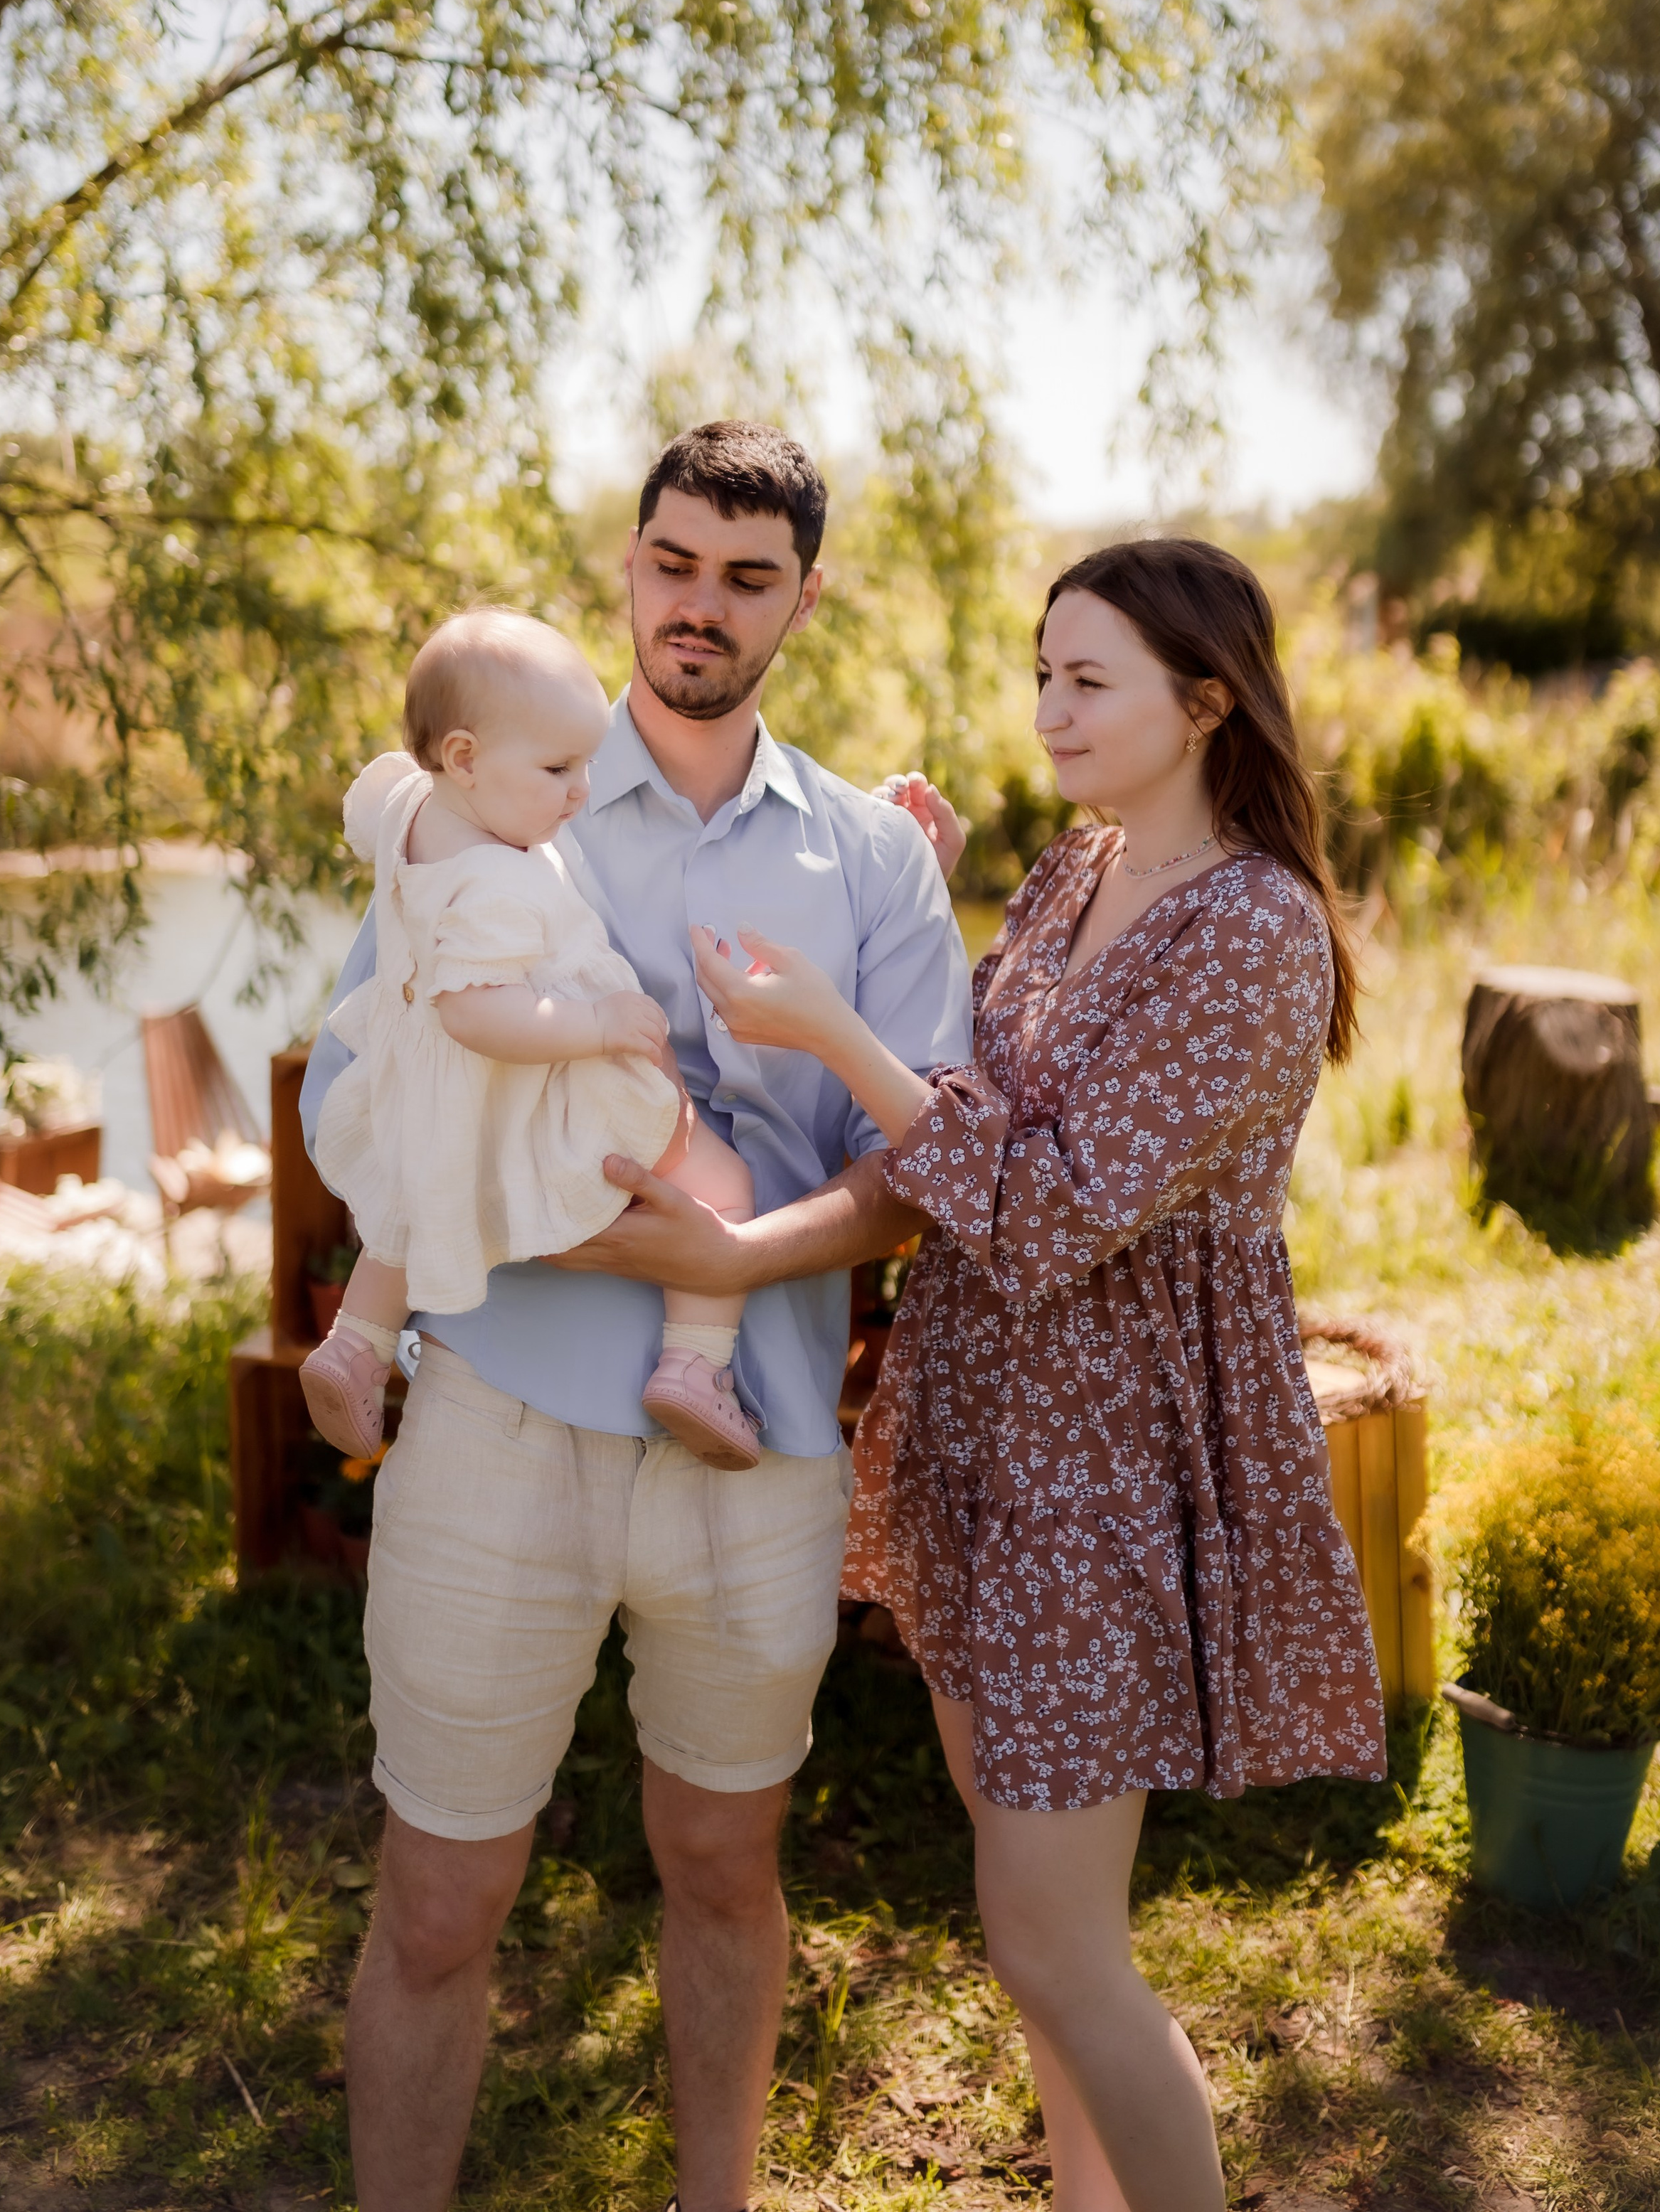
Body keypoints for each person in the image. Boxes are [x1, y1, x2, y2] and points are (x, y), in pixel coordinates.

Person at [298, 420, 972, 2212]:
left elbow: (921, 1167)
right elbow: (357, 1094)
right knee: (439, 1900)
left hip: (759, 1447)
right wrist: (590, 1237)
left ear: (802, 601)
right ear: (628, 561)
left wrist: (734, 1265)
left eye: (747, 578)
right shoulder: (483, 799)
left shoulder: (873, 858)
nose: (700, 603)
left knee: (726, 1866)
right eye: (673, 561)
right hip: (498, 1421)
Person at [693, 535, 1386, 2212]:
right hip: (981, 1423)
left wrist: (833, 1034)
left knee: (1051, 1939)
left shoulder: (1252, 929)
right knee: (1040, 1934)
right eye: (1040, 675)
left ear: (1204, 702)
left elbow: (1051, 1202)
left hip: (1105, 1456)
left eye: (1088, 680)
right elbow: (977, 1097)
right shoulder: (1076, 871)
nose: (1048, 710)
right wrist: (908, 904)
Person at [299, 609, 765, 1469]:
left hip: (424, 1086)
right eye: (557, 769)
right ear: (464, 758)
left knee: (411, 1197)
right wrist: (597, 1025)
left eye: (585, 764)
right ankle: (696, 1364)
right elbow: (475, 1014)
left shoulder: (410, 807)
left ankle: (356, 1344)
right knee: (722, 1183)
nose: (581, 792)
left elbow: (367, 810)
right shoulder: (494, 883)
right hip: (526, 1079)